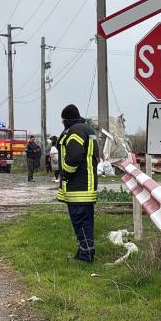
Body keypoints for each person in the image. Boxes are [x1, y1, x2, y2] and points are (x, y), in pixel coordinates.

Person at [56, 104, 99, 262]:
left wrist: (66, 173)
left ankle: (86, 255)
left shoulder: (75, 131)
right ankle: (84, 251)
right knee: (85, 222)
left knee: (80, 221)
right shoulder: (87, 129)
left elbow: (74, 156)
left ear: (66, 119)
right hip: (87, 184)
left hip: (78, 186)